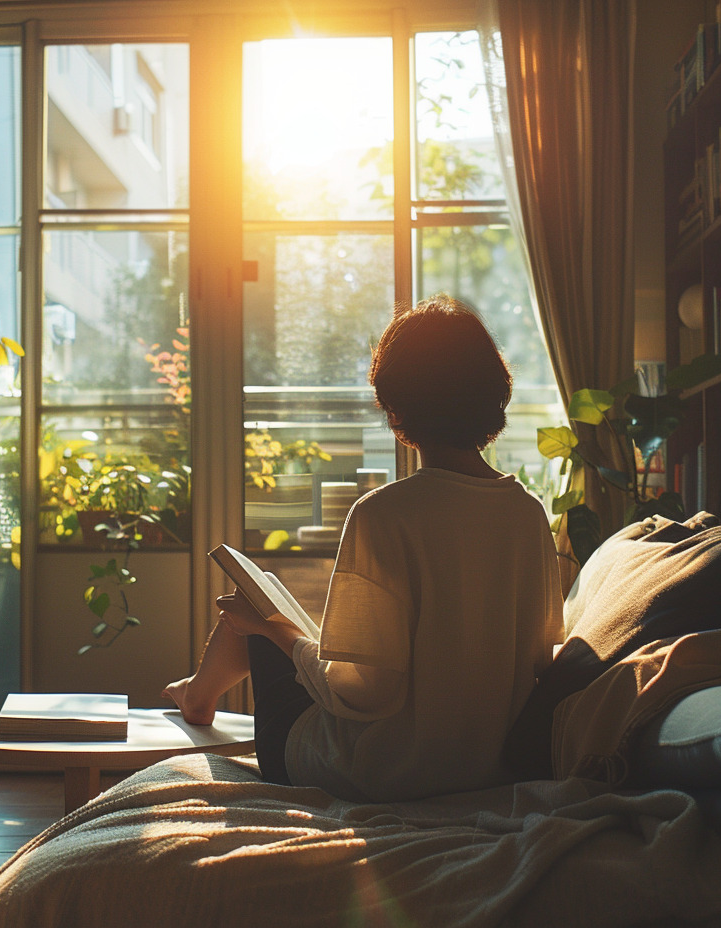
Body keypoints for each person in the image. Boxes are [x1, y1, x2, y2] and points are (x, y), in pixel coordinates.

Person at [164, 294, 563, 802]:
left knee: (258, 618)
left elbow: (361, 691)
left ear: (395, 402)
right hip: (488, 768)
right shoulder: (527, 513)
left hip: (384, 771)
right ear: (493, 391)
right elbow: (537, 657)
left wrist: (273, 631)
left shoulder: (385, 514)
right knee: (279, 623)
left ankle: (196, 695)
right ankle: (197, 689)